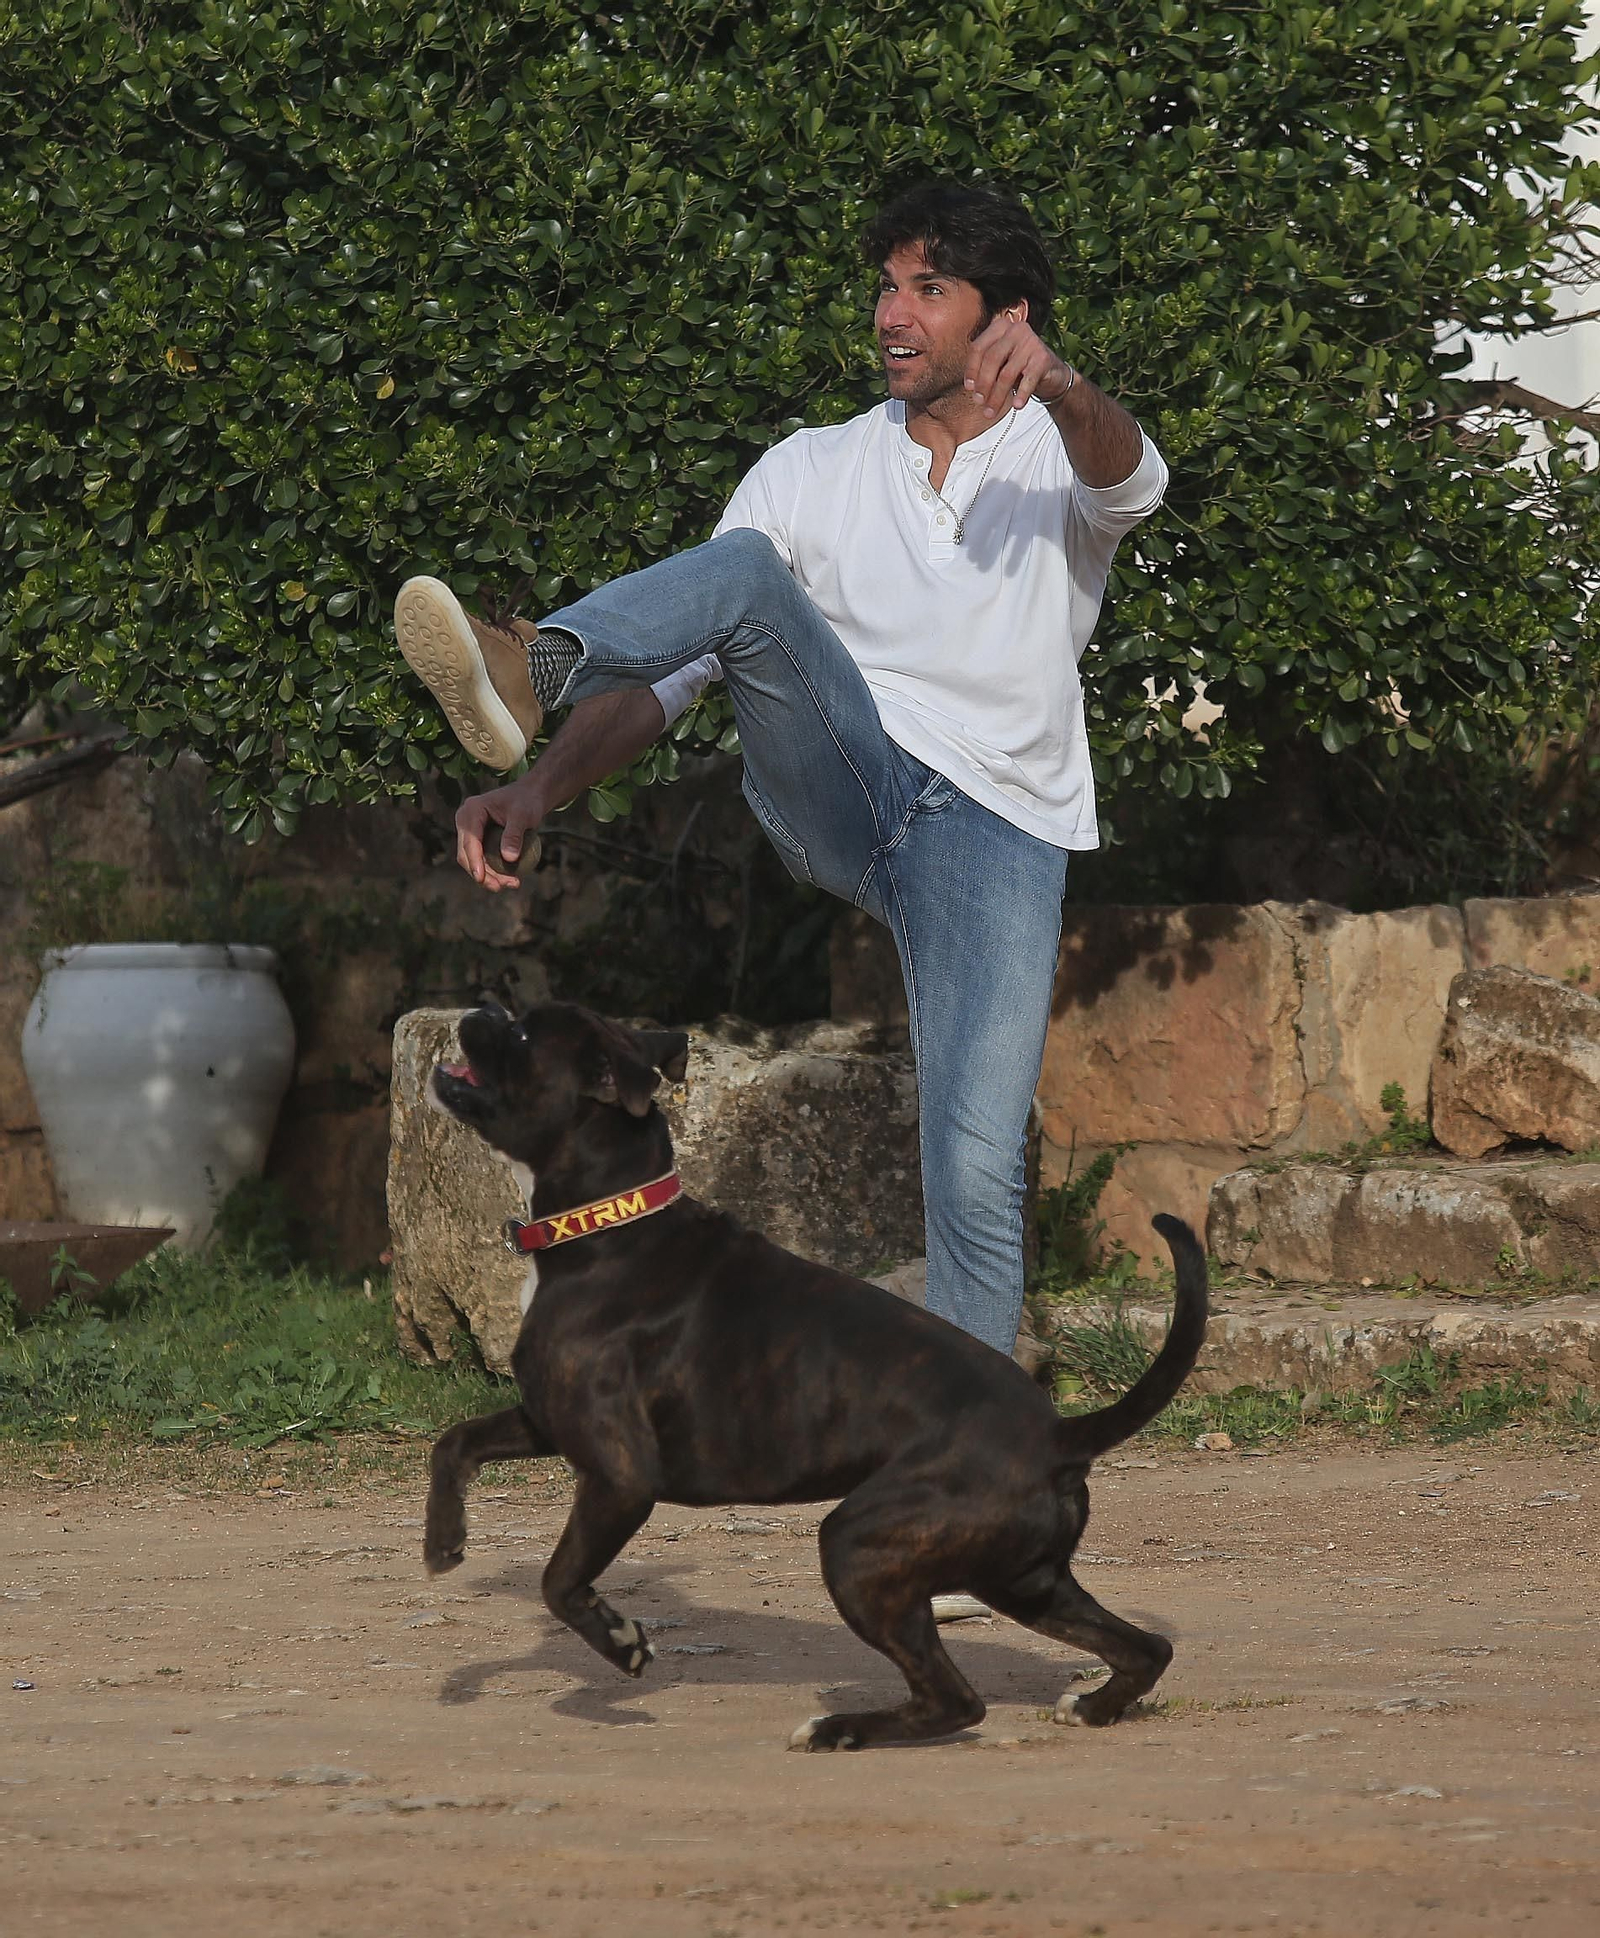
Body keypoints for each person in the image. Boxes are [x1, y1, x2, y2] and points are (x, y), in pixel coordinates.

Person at [393, 178, 1167, 1361]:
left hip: (998, 836)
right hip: (846, 785)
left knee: (974, 1163)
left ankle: (963, 1444)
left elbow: (1135, 482)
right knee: (745, 577)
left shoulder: (1055, 460)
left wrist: (1058, 383)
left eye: (925, 289)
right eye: (883, 287)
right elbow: (673, 676)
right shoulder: (809, 468)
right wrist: (537, 786)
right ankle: (532, 669)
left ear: (1004, 316)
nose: (888, 316)